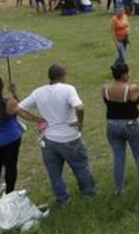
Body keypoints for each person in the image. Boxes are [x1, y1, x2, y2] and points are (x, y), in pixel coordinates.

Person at [17, 64, 97, 204]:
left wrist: (38, 119)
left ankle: (62, 198)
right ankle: (88, 193)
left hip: (49, 140)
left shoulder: (38, 92)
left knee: (55, 173)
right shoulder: (68, 89)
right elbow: (79, 107)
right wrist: (80, 122)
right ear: (63, 75)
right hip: (70, 138)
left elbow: (18, 109)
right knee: (81, 166)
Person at [102, 62, 139, 194]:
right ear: (124, 75)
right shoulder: (132, 88)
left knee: (118, 157)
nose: (130, 74)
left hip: (112, 125)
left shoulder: (105, 89)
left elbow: (108, 102)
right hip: (131, 125)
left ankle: (119, 189)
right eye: (128, 72)